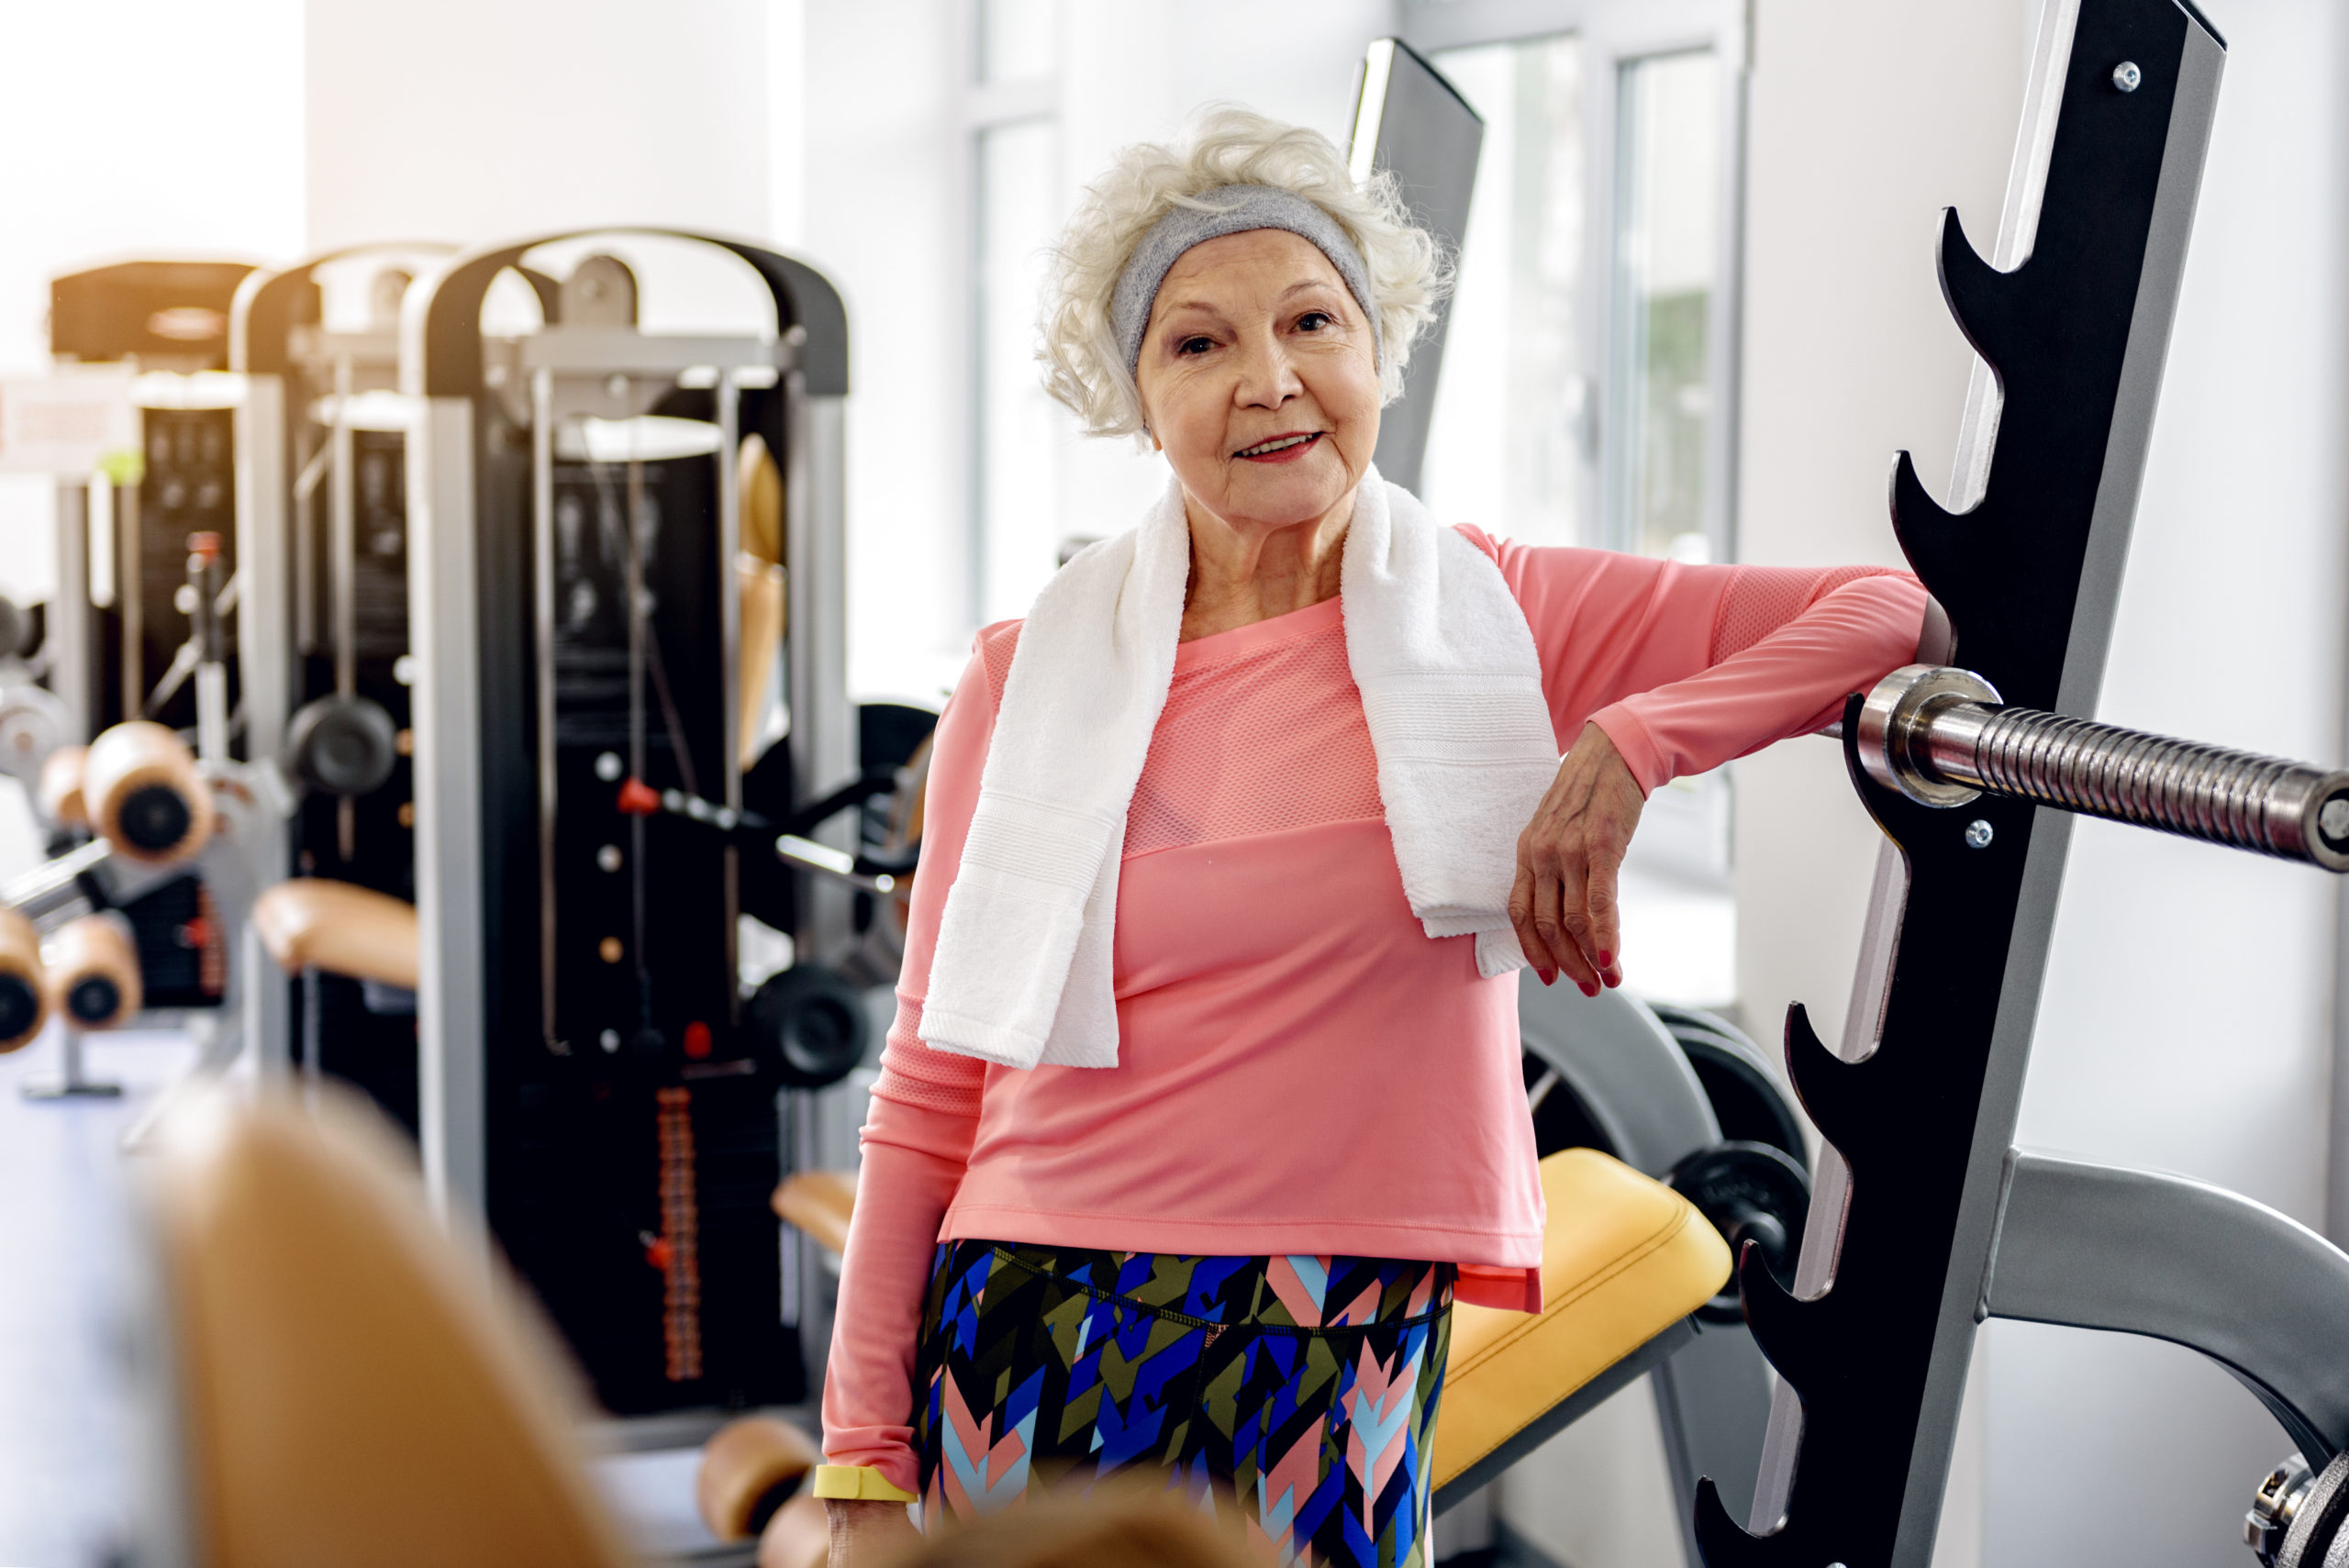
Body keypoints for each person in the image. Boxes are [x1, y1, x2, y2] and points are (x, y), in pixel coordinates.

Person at [815, 108, 1927, 1568]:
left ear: (1379, 350)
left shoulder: (1498, 613)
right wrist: (858, 1455)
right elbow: (930, 1077)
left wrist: (1631, 747)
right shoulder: (1028, 675)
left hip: (1337, 1330)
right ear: (1136, 401)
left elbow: (1885, 615)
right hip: (1036, 1310)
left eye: (1312, 321)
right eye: (1198, 344)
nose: (1271, 380)